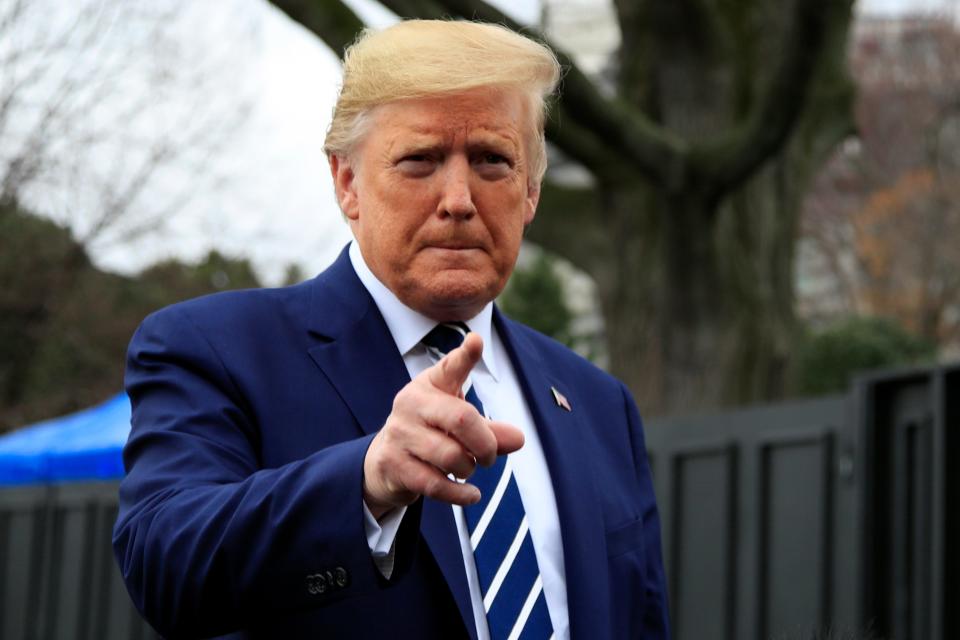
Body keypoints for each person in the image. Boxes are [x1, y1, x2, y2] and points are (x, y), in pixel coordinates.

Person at [113, 19, 669, 640]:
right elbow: (164, 567)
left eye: (492, 160)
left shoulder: (598, 403)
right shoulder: (216, 350)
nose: (458, 198)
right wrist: (367, 480)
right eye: (420, 161)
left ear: (532, 190)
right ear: (346, 182)